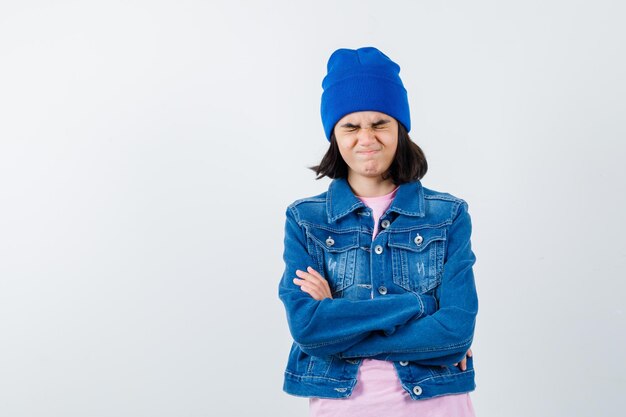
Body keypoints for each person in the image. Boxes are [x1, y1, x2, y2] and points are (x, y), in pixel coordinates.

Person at [278, 46, 478, 416]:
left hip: (437, 404)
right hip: (343, 406)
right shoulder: (306, 220)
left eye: (379, 123)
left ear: (399, 129)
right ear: (334, 135)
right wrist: (420, 307)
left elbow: (455, 332)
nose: (366, 139)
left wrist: (337, 317)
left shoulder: (448, 215)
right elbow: (308, 329)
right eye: (351, 126)